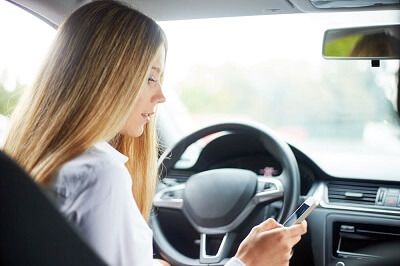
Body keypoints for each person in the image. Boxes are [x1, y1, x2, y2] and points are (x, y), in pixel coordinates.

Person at [2, 1, 307, 266]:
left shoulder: (33, 162)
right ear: (104, 78)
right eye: (149, 78)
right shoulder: (99, 173)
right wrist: (248, 262)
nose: (161, 95)